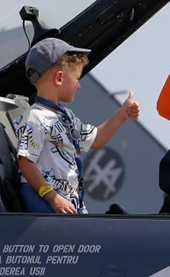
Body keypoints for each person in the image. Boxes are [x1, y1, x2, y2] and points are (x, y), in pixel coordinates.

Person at [14, 37, 140, 214]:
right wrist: (52, 197)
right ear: (59, 78)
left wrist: (122, 114)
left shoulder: (66, 117)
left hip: (69, 201)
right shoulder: (35, 118)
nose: (79, 85)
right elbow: (26, 162)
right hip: (50, 204)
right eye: (77, 78)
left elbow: (95, 139)